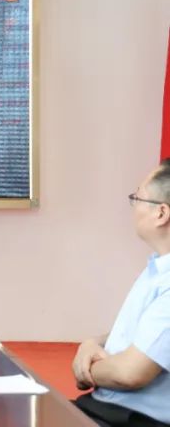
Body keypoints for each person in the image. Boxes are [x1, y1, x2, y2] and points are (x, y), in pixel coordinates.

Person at [71, 161, 170, 427]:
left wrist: (86, 368)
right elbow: (146, 331)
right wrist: (92, 344)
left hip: (132, 420)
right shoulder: (157, 268)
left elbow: (130, 373)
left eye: (138, 198)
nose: (133, 207)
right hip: (105, 409)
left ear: (161, 213)